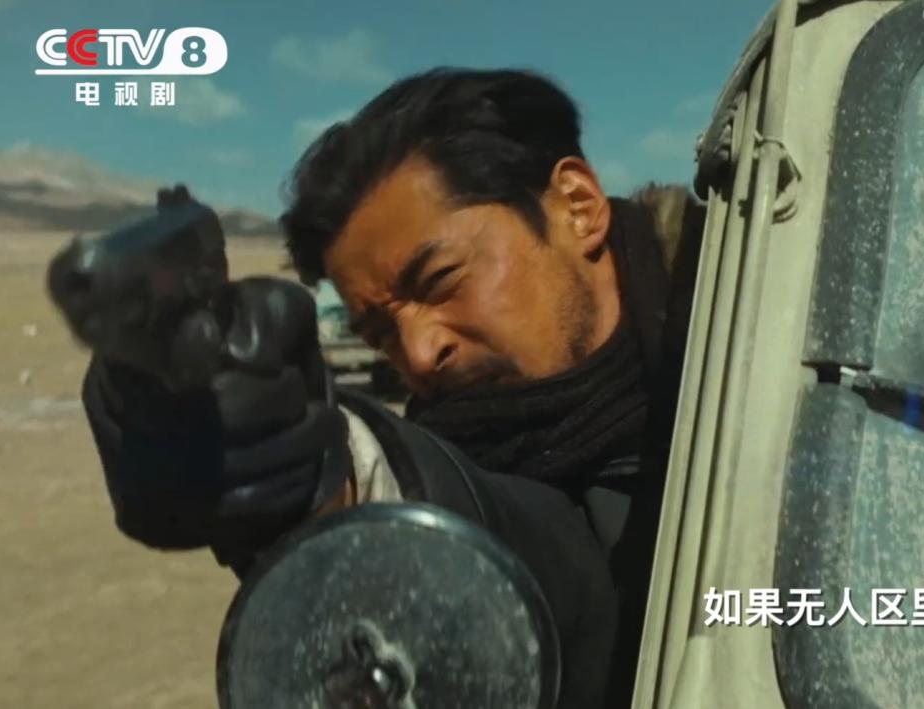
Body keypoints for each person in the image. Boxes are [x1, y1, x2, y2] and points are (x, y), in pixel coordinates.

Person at [81, 67, 706, 708]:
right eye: (380, 332)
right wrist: (317, 480)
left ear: (576, 206)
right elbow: (506, 535)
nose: (420, 353)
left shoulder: (750, 340)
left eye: (439, 281)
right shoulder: (466, 451)